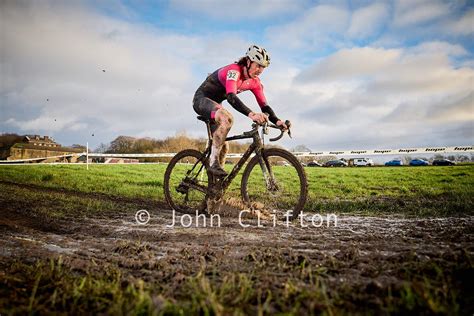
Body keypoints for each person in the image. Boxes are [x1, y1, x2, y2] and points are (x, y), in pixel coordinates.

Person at [193, 44, 288, 177]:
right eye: (258, 65)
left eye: (263, 67)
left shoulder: (255, 82)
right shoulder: (234, 71)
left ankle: (215, 187)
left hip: (216, 105)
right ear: (248, 61)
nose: (260, 70)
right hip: (201, 99)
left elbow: (264, 106)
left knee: (224, 146)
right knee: (227, 119)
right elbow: (231, 97)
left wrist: (278, 121)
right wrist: (252, 114)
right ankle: (213, 163)